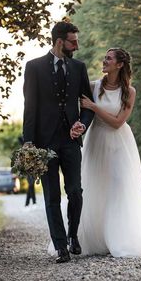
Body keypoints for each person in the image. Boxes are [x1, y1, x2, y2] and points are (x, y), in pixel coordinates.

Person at [76, 47, 141, 257]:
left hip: (120, 143)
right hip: (96, 140)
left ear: (120, 65)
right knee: (95, 186)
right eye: (105, 57)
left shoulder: (129, 92)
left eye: (109, 58)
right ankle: (95, 240)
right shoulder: (93, 86)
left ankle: (121, 238)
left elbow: (117, 122)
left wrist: (94, 107)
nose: (104, 61)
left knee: (120, 186)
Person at [22, 21, 94, 263]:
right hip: (44, 143)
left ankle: (73, 236)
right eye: (73, 41)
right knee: (51, 195)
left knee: (75, 191)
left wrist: (82, 124)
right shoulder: (34, 68)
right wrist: (29, 142)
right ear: (59, 41)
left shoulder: (79, 67)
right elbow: (29, 108)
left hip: (71, 141)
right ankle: (61, 246)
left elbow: (87, 106)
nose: (77, 46)